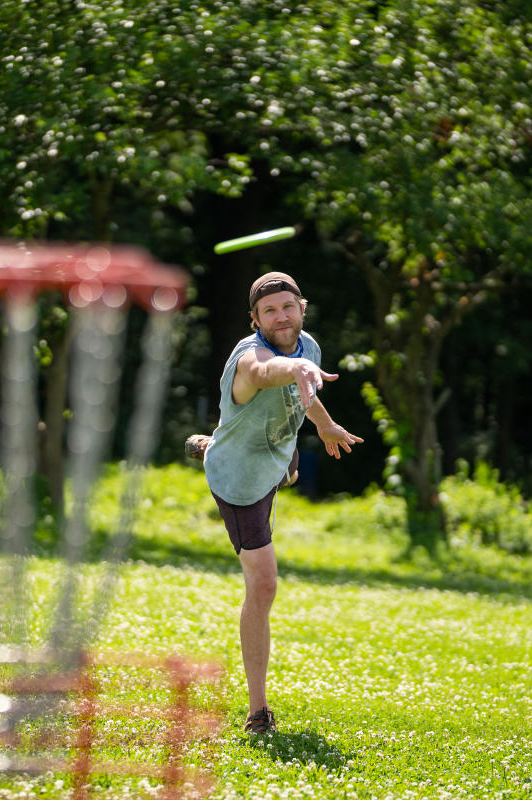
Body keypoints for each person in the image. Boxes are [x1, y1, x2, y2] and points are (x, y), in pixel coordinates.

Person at [186, 271, 363, 734]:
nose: (280, 316)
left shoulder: (309, 345)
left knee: (281, 464)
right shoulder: (250, 360)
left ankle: (218, 443)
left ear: (302, 307)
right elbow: (268, 374)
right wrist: (298, 370)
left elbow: (301, 396)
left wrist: (323, 423)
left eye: (288, 306)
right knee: (263, 585)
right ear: (254, 320)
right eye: (269, 311)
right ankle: (258, 711)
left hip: (271, 460)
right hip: (240, 484)